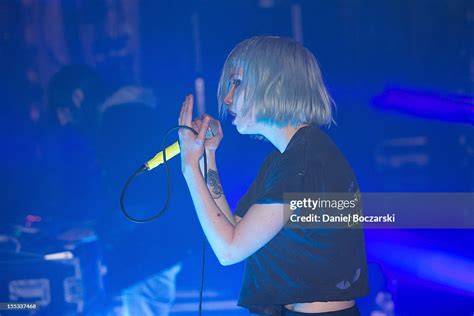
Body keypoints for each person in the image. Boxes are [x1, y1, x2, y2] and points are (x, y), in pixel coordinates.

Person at [178, 36, 369, 315]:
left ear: (276, 85)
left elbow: (229, 250)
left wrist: (188, 167)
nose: (228, 98)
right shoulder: (287, 157)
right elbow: (233, 229)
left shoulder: (304, 161)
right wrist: (209, 158)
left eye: (238, 83)